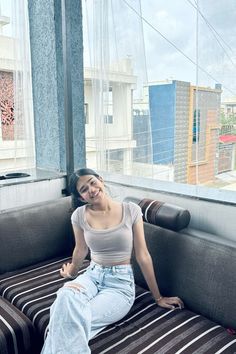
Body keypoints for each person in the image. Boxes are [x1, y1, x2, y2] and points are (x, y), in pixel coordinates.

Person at [41, 168, 184, 354]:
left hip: (119, 285)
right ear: (81, 197)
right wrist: (71, 273)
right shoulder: (78, 215)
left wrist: (158, 298)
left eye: (92, 182)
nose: (91, 189)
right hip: (92, 275)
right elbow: (81, 249)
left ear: (100, 180)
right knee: (65, 297)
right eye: (84, 189)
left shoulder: (131, 210)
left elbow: (143, 255)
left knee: (67, 320)